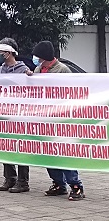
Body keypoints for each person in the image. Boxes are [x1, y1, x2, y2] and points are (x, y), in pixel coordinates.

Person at [28, 40, 84, 201]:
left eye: (38, 56)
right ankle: (58, 184)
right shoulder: (39, 69)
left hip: (60, 119)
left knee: (63, 152)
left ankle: (76, 185)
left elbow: (71, 92)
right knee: (48, 153)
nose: (35, 59)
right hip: (44, 119)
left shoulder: (62, 70)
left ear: (44, 56)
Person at [0, 38, 30, 193]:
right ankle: (10, 178)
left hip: (19, 116)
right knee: (5, 148)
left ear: (8, 53)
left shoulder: (23, 70)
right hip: (3, 115)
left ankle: (23, 182)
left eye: (0, 52)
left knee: (20, 148)